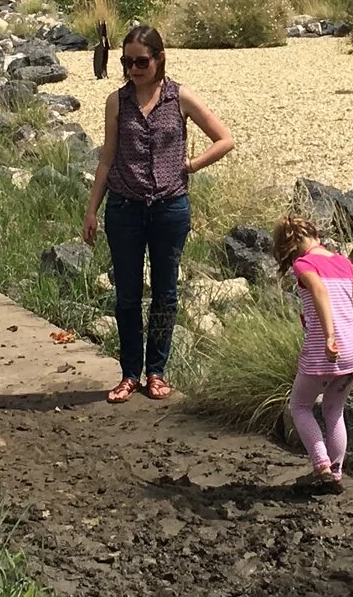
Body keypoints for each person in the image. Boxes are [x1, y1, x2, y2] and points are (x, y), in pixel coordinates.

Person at [80, 22, 236, 404]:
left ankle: (157, 372)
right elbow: (107, 158)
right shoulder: (117, 101)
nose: (133, 69)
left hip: (169, 209)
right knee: (127, 295)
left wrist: (191, 165)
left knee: (165, 293)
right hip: (124, 208)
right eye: (127, 62)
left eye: (141, 62)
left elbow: (225, 139)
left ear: (159, 58)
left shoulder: (179, 97)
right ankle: (129, 374)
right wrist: (91, 210)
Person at [275, 213, 353, 490]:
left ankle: (322, 465)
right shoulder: (343, 262)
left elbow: (319, 291)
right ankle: (335, 473)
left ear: (291, 244)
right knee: (334, 410)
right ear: (316, 235)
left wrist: (328, 336)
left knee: (300, 406)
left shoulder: (304, 264)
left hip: (324, 350)